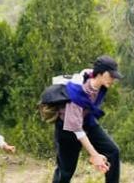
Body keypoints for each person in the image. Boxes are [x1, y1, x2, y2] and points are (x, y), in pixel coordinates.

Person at [52, 55, 123, 183]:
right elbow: (77, 130)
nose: (113, 79)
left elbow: (89, 73)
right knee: (65, 171)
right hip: (67, 129)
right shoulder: (77, 92)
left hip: (87, 121)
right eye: (111, 75)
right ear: (101, 73)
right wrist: (94, 155)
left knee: (113, 151)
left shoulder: (99, 84)